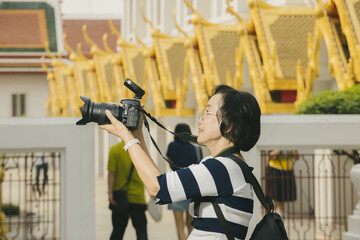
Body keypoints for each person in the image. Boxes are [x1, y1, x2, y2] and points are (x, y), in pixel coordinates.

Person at [100, 85, 261, 239]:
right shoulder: (228, 166)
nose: (201, 119)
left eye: (208, 112)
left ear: (228, 126)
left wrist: (126, 137)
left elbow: (156, 187)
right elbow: (160, 181)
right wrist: (137, 135)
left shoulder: (222, 168)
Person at [166, 123, 203, 240]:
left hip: (176, 186)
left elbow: (170, 163)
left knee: (179, 225)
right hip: (192, 188)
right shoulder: (196, 148)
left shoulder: (172, 146)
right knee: (190, 225)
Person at [107, 141, 148, 240]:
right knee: (141, 232)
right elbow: (147, 172)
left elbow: (111, 172)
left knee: (117, 231)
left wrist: (110, 192)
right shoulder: (140, 150)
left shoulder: (114, 149)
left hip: (120, 198)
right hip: (138, 198)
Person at [266, 149, 299, 217]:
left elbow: (297, 157)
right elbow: (269, 156)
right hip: (275, 169)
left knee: (284, 191)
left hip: (288, 170)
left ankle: (280, 210)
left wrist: (292, 152)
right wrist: (277, 152)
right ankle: (275, 210)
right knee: (276, 190)